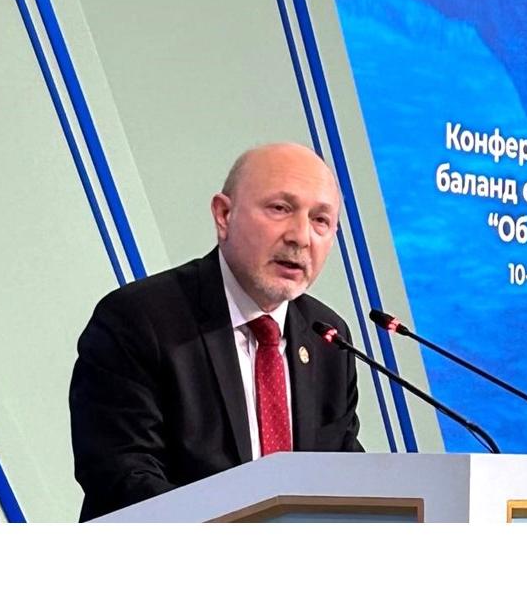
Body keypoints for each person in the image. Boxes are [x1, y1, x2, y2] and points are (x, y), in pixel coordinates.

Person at [70, 143, 363, 522]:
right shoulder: (138, 319)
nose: (301, 237)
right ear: (224, 215)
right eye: (280, 209)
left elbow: (343, 473)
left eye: (320, 220)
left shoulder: (328, 338)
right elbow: (123, 478)